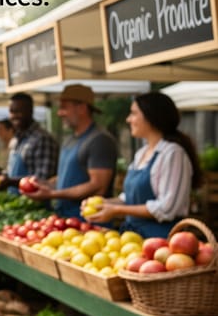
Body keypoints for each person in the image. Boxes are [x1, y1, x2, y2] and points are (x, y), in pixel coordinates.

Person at [85, 92, 201, 238]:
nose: (128, 119)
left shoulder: (172, 154)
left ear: (151, 116)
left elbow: (166, 208)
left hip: (162, 242)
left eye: (133, 113)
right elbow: (130, 197)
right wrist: (103, 203)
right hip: (133, 238)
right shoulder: (142, 153)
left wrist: (117, 210)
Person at [24, 84, 118, 219]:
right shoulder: (70, 139)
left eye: (64, 107)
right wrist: (44, 183)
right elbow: (67, 176)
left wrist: (52, 194)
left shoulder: (99, 140)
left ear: (81, 108)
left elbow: (98, 186)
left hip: (89, 221)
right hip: (65, 218)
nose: (59, 113)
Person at [4, 92, 59, 194]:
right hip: (14, 201)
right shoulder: (16, 139)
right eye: (11, 111)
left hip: (34, 205)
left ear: (30, 111)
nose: (14, 116)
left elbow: (43, 179)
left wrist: (9, 181)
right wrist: (2, 176)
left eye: (18, 111)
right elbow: (12, 171)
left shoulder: (42, 139)